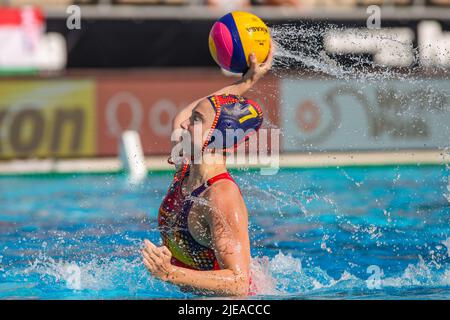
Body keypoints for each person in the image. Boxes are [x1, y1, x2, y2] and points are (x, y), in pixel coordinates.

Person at [142, 46, 273, 296]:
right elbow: (182, 114)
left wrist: (169, 273)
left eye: (196, 120)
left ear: (216, 137)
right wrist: (246, 82)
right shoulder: (187, 166)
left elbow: (238, 284)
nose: (183, 123)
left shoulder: (221, 197)